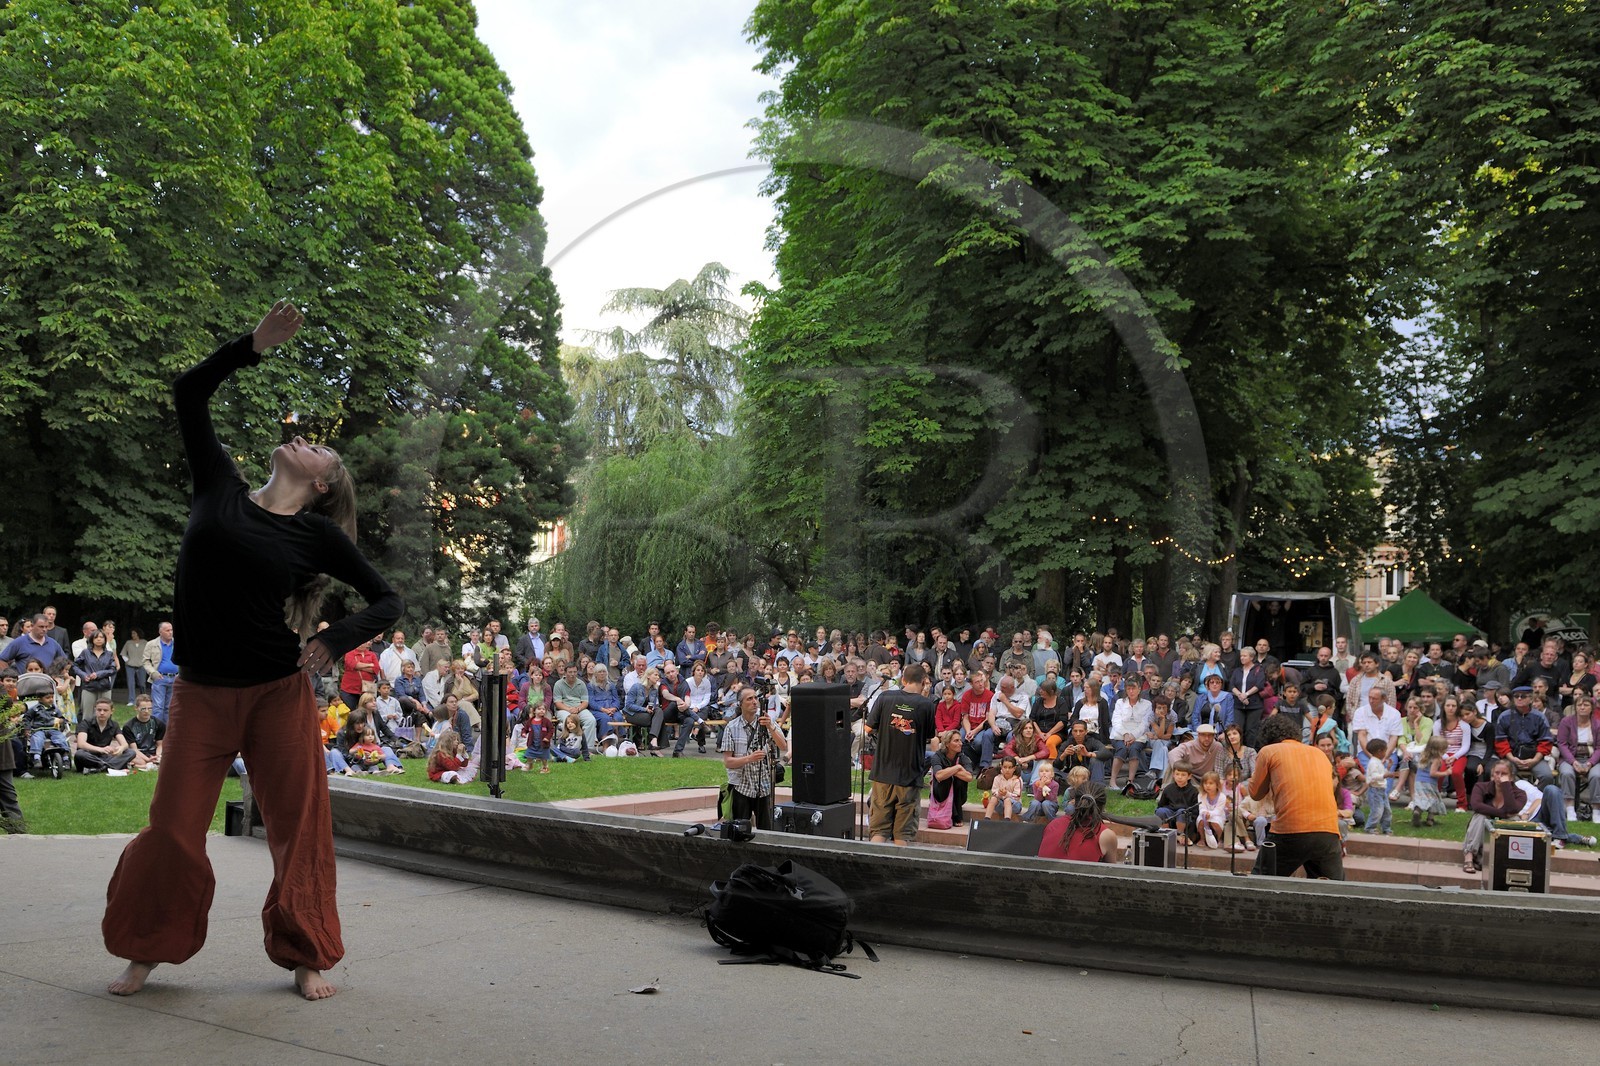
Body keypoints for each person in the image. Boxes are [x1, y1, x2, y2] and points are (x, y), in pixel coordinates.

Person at [102, 302, 403, 1001]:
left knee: (298, 829)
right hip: (200, 692)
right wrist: (251, 347)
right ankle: (146, 948)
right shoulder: (220, 485)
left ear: (322, 484)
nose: (304, 441)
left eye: (319, 450)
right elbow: (188, 392)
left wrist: (331, 640)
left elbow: (386, 601)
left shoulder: (316, 537)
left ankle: (306, 954)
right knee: (173, 828)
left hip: (276, 692)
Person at [1238, 712, 1344, 879]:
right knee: (1332, 889)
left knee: (1261, 882)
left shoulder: (1269, 751)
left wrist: (1256, 775)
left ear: (1266, 737)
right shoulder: (1320, 754)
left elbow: (1256, 794)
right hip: (1328, 831)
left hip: (1290, 829)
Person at [864, 662, 937, 845]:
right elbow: (930, 735)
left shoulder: (885, 697)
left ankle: (872, 861)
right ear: (924, 682)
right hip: (909, 776)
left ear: (903, 680)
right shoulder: (927, 705)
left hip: (883, 773)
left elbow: (868, 728)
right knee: (902, 834)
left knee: (879, 830)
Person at [719, 685, 788, 829]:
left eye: (755, 698)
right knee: (740, 830)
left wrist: (770, 727)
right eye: (749, 699)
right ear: (740, 704)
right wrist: (749, 758)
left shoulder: (767, 722)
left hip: (764, 787)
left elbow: (783, 746)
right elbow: (728, 762)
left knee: (767, 830)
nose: (754, 702)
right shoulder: (731, 727)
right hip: (741, 787)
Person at [1038, 783, 1120, 862]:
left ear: (1074, 802)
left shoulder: (1053, 824)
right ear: (1102, 807)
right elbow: (1112, 869)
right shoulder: (1105, 835)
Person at [75, 697, 136, 774]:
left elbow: (125, 744)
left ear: (111, 711)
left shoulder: (114, 725)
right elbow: (81, 744)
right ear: (95, 710)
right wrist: (100, 749)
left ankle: (101, 768)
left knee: (131, 752)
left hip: (105, 757)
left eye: (105, 710)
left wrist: (121, 748)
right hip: (89, 756)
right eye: (99, 710)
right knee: (80, 753)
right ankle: (110, 767)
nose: (102, 713)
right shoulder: (86, 723)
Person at [927, 729, 975, 825]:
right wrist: (957, 768)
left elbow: (969, 777)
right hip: (940, 794)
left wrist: (949, 771)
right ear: (947, 744)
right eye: (956, 741)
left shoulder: (963, 757)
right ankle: (957, 817)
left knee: (958, 780)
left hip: (959, 797)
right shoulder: (938, 756)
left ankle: (956, 815)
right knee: (947, 779)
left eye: (960, 740)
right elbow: (939, 776)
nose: (960, 743)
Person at [1155, 763, 1200, 840]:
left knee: (1181, 811)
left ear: (1189, 776)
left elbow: (1195, 811)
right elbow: (1161, 805)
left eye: (1183, 775)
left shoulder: (1194, 791)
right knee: (1161, 811)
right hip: (1171, 814)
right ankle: (1166, 834)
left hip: (1185, 817)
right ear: (1173, 775)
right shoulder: (1168, 788)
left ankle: (1180, 835)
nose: (1180, 777)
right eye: (1177, 774)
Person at [122, 694, 165, 772]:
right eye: (143, 709)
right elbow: (134, 749)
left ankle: (144, 765)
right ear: (136, 708)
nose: (147, 711)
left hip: (154, 752)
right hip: (138, 754)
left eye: (150, 708)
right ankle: (145, 765)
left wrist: (157, 755)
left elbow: (160, 744)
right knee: (134, 758)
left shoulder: (159, 724)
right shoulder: (128, 726)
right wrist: (148, 760)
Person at [984, 756, 1024, 821]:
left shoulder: (1017, 780)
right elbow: (993, 792)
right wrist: (999, 793)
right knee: (993, 798)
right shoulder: (997, 778)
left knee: (1007, 800)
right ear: (1001, 767)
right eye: (1005, 767)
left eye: (1010, 767)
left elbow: (1017, 796)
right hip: (1001, 805)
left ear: (1014, 768)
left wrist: (1006, 794)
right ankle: (986, 819)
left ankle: (1007, 820)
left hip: (1015, 806)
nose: (1007, 770)